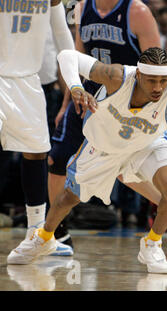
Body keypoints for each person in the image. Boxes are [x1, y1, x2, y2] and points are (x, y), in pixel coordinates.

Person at [7, 47, 167, 273]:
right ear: (138, 76)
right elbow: (67, 56)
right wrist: (76, 88)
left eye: (163, 81)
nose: (158, 87)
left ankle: (152, 243)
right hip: (103, 147)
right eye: (152, 80)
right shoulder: (116, 77)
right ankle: (44, 238)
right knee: (67, 199)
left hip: (147, 143)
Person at [48, 0, 167, 256]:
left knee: (119, 166)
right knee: (57, 157)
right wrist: (67, 100)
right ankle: (55, 230)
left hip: (124, 101)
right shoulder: (82, 7)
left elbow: (157, 70)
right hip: (88, 94)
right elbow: (77, 56)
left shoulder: (137, 11)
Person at [0, 0, 75, 254]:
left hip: (28, 80)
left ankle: (37, 234)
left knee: (37, 152)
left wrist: (74, 83)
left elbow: (62, 33)